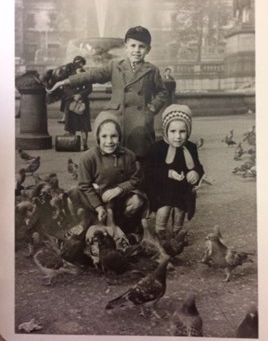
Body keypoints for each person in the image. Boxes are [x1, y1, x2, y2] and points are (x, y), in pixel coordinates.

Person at [47, 26, 168, 165]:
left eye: (141, 46)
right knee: (114, 156)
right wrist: (67, 81)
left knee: (139, 159)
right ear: (126, 47)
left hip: (141, 121)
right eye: (133, 45)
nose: (137, 50)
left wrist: (152, 109)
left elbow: (162, 92)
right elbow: (93, 75)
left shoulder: (152, 70)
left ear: (148, 49)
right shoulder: (115, 65)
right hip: (116, 118)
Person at [68, 111, 149, 244]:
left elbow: (135, 180)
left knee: (137, 200)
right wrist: (99, 207)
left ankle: (121, 226)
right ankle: (90, 221)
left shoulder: (128, 156)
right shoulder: (88, 157)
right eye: (104, 136)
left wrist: (119, 189)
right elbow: (85, 185)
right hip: (95, 199)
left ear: (119, 137)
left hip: (118, 201)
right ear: (98, 137)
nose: (109, 141)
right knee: (73, 192)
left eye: (113, 136)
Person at [144, 104, 204, 240]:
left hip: (181, 189)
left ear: (188, 131)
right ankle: (161, 231)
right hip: (162, 188)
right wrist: (168, 173)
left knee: (180, 209)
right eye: (173, 131)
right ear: (166, 131)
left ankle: (178, 232)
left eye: (182, 132)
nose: (178, 136)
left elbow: (198, 166)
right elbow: (149, 170)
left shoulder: (190, 147)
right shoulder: (157, 148)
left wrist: (194, 173)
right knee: (164, 208)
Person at [63, 58, 92, 151]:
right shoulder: (69, 75)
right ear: (74, 64)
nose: (80, 66)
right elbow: (65, 88)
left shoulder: (87, 75)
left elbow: (89, 88)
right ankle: (72, 144)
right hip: (71, 102)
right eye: (78, 64)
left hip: (82, 103)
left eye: (82, 64)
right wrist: (73, 96)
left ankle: (85, 144)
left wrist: (80, 95)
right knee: (71, 125)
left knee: (84, 125)